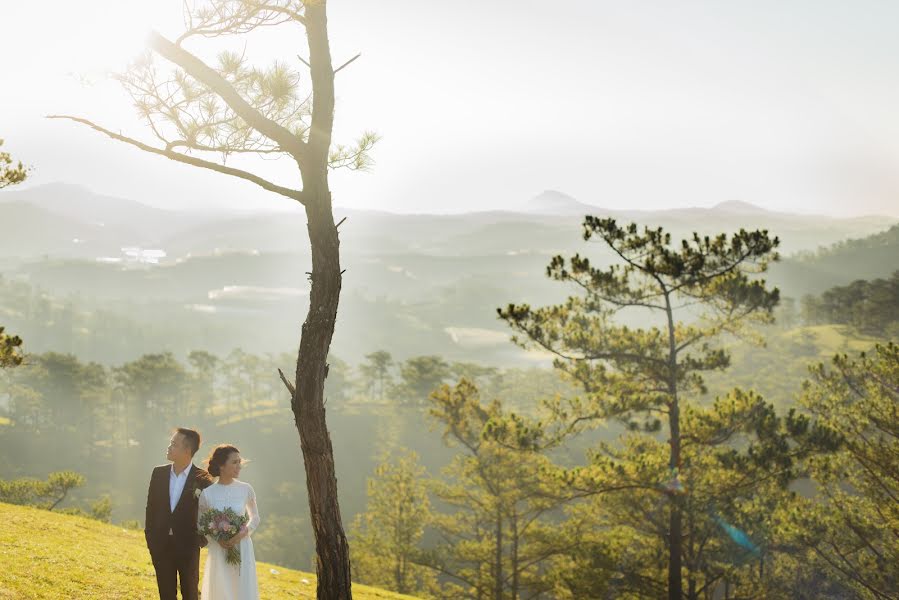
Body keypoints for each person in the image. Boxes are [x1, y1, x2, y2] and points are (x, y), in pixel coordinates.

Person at [145, 427, 214, 600]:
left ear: (187, 450)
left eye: (173, 444)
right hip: (161, 546)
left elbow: (210, 514)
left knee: (190, 594)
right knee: (166, 595)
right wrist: (151, 540)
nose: (169, 447)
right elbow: (150, 509)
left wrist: (200, 541)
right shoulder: (158, 473)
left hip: (188, 548)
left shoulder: (202, 479)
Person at [199, 444, 260, 600]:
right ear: (221, 465)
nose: (239, 466)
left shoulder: (246, 489)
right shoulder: (207, 494)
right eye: (234, 462)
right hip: (219, 549)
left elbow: (255, 517)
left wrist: (241, 534)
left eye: (240, 462)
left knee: (241, 587)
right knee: (221, 587)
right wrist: (217, 539)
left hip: (242, 547)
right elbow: (201, 523)